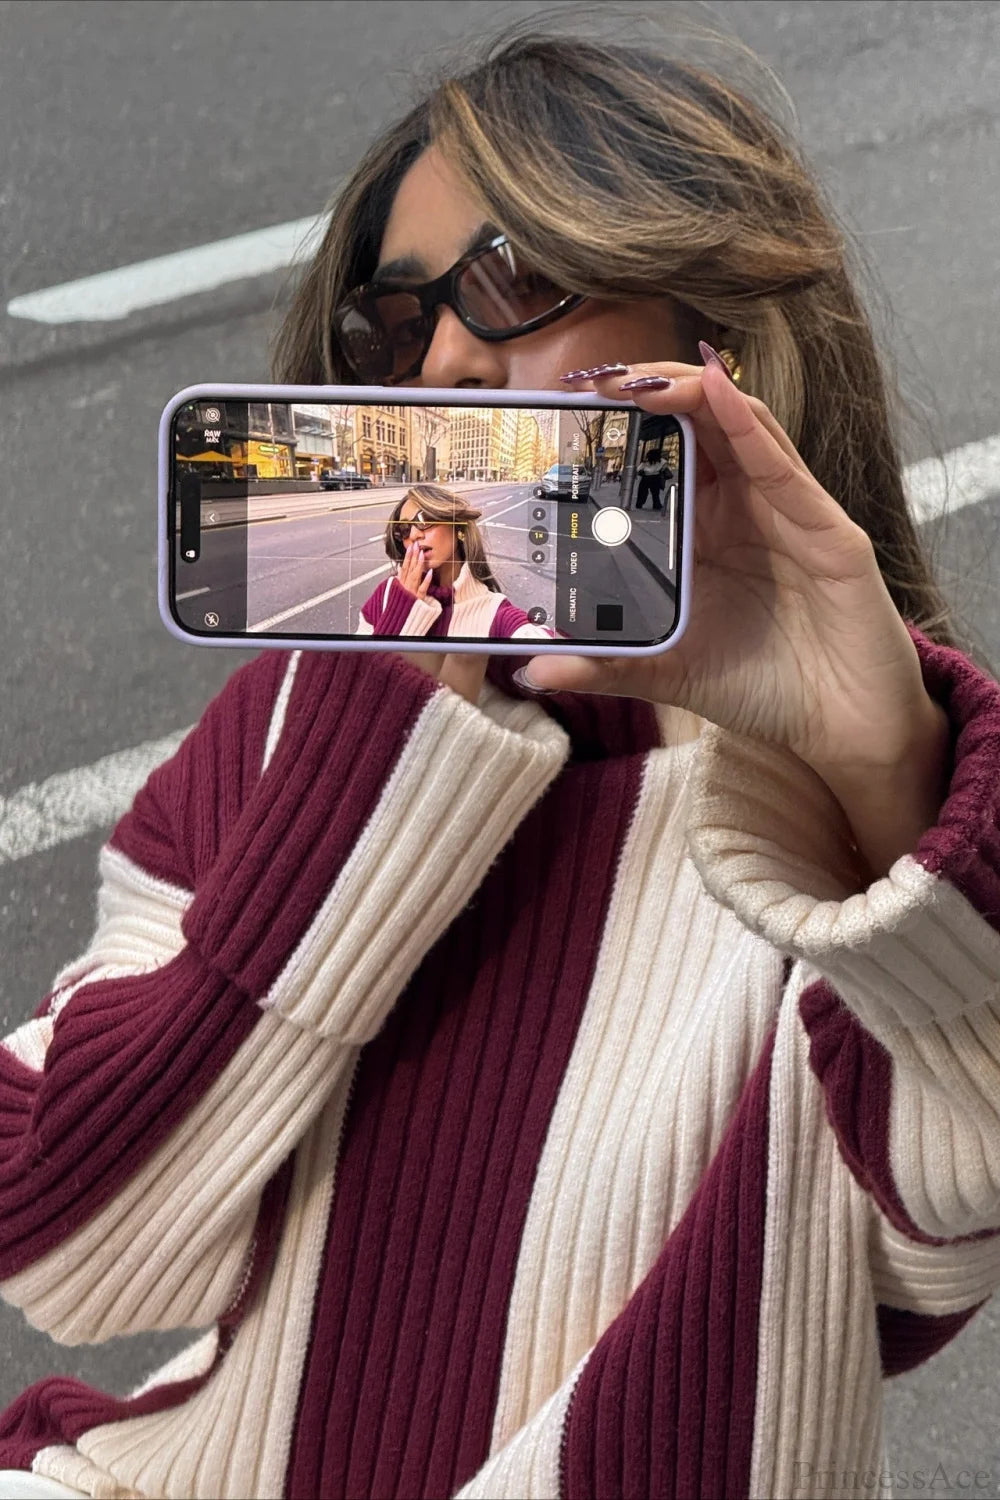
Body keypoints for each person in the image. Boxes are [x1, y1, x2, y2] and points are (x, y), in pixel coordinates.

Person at [1, 28, 998, 1500]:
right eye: (388, 333)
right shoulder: (293, 724)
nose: (448, 359)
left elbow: (941, 1232)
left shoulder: (861, 807)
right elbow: (66, 1234)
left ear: (712, 323)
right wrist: (375, 754)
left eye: (516, 280)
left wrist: (889, 786)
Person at [357, 483, 552, 640]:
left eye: (424, 520)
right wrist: (401, 608)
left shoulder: (495, 614)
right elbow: (360, 675)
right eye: (404, 529)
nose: (414, 534)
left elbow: (549, 658)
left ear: (457, 526)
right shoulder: (386, 593)